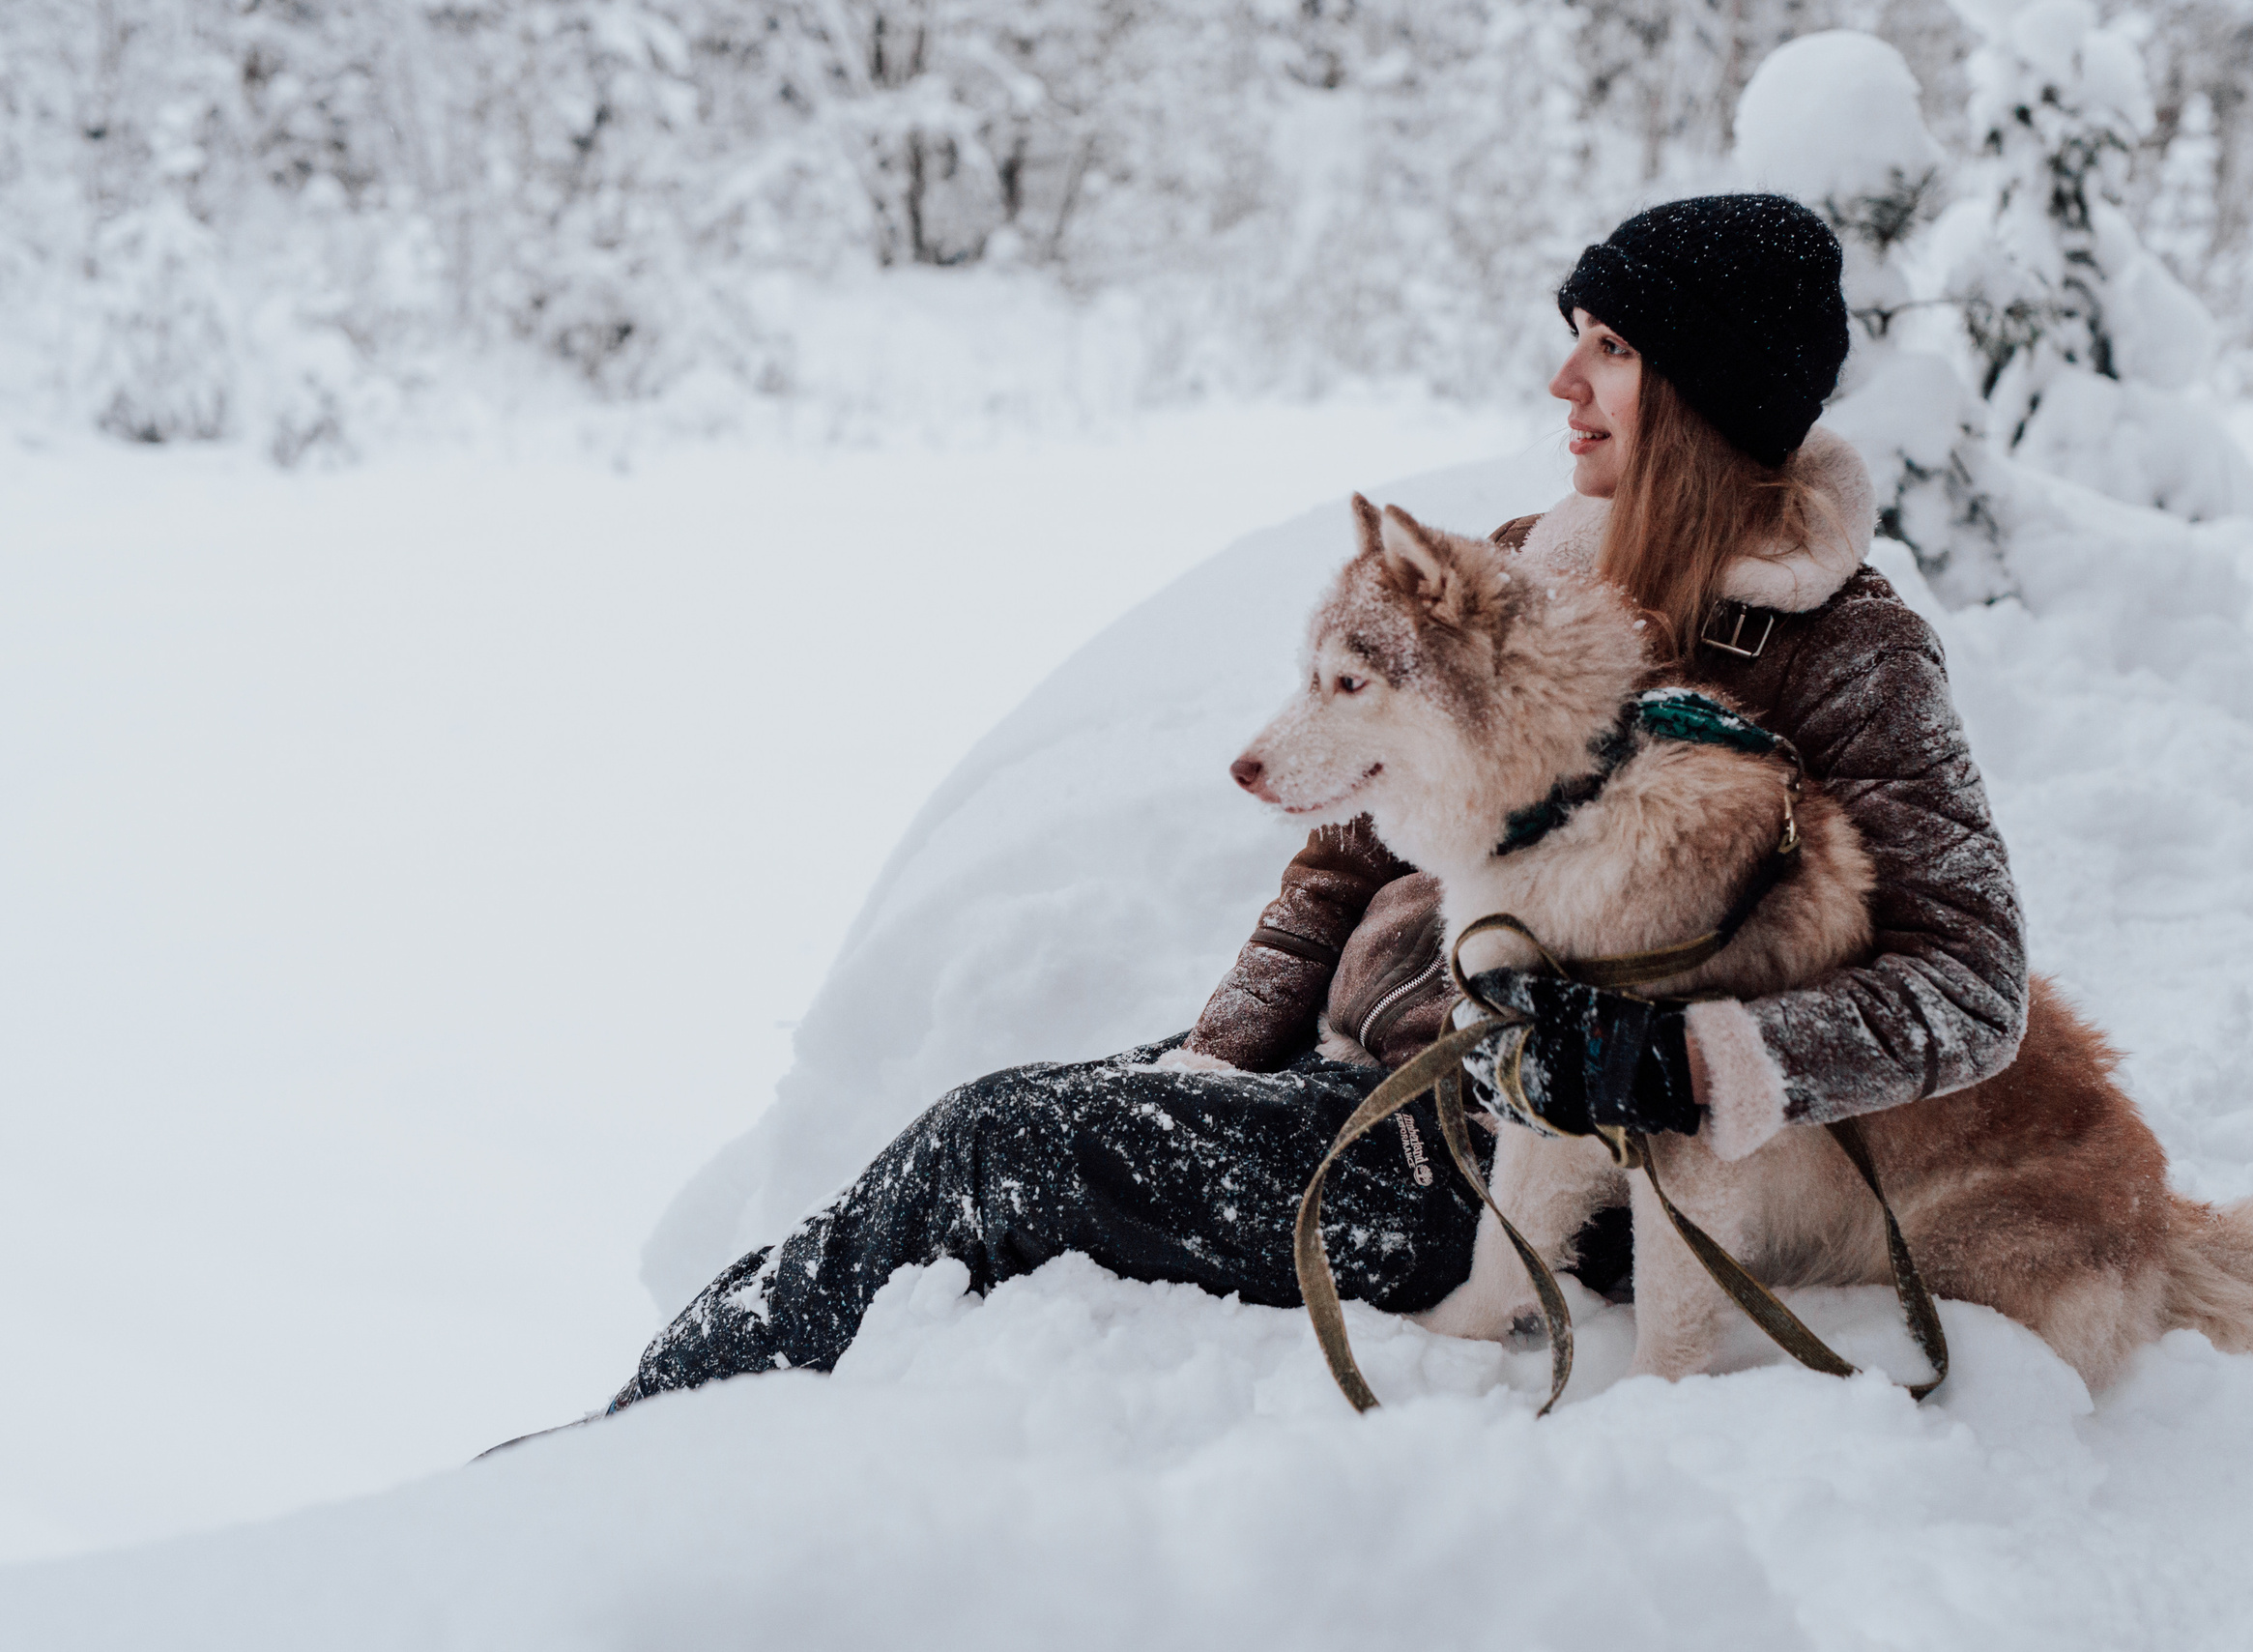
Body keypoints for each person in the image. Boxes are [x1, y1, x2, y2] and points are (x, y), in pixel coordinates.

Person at [604, 193, 2028, 1411]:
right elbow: (1348, 850)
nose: (1562, 384)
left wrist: (1698, 1061)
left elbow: (1971, 981)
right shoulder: (1529, 559)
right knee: (959, 1142)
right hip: (1357, 1056)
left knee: (1000, 1147)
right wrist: (1229, 1047)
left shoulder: (1845, 646)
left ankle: (662, 1444)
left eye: (1608, 350)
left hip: (1508, 1154)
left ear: (1705, 391)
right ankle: (664, 1413)